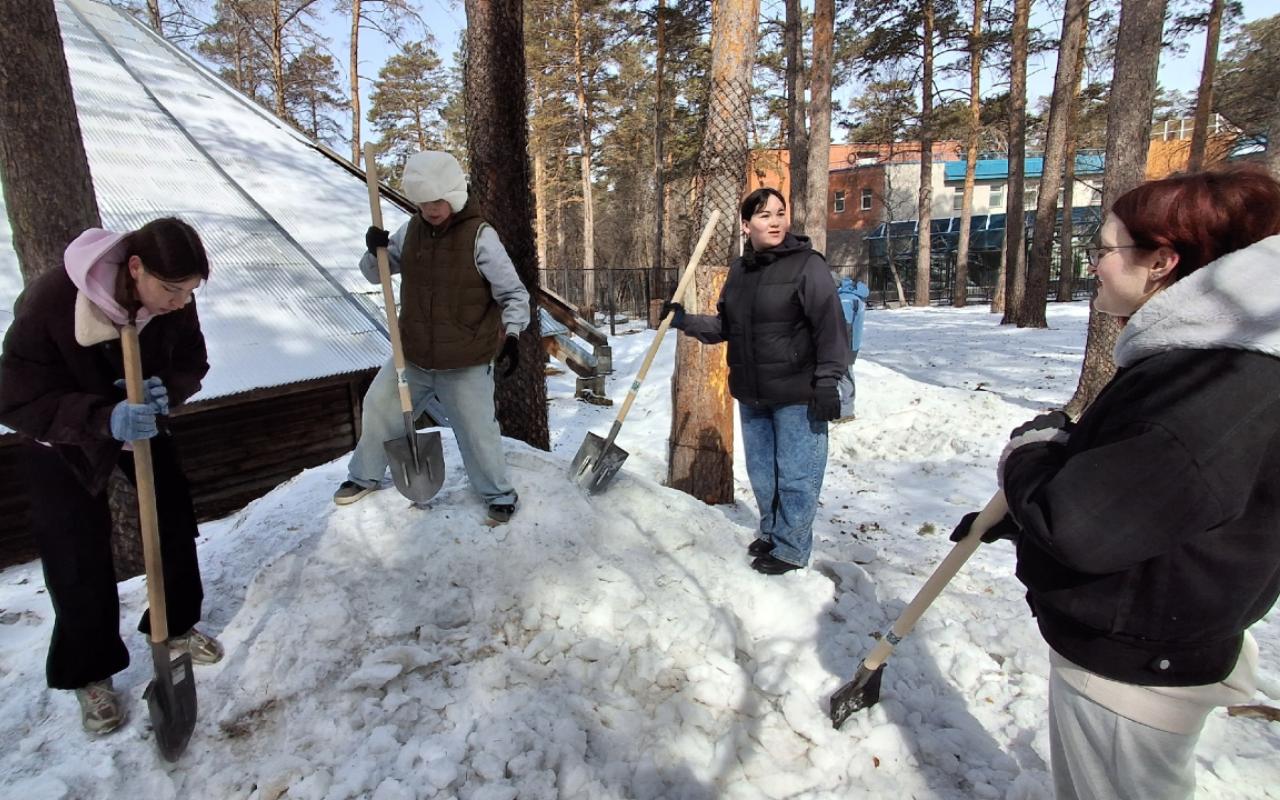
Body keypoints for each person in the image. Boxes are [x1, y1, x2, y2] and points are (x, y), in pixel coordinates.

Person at [953, 166, 1280, 799]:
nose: (1095, 265)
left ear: (1161, 261)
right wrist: (1028, 516)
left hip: (1135, 672)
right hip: (1151, 639)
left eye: (1104, 250)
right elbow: (1157, 499)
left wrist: (1031, 456)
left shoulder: (1215, 383)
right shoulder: (1203, 364)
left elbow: (1082, 524)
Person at [0, 217, 224, 735]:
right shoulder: (53, 302)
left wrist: (168, 387)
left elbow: (193, 360)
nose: (180, 302)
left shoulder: (171, 304)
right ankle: (91, 672)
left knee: (170, 517)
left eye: (190, 292)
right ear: (136, 267)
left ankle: (174, 625)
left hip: (139, 423)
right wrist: (102, 417)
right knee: (75, 549)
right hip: (60, 436)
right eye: (172, 290)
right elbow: (16, 401)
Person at [334, 150, 530, 522]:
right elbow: (374, 273)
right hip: (415, 357)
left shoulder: (480, 237)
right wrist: (373, 247)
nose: (431, 209)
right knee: (378, 406)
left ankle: (498, 494)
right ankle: (363, 477)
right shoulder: (411, 231)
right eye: (424, 203)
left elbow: (513, 294)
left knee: (477, 431)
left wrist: (515, 333)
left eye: (438, 201)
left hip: (466, 359)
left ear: (454, 195)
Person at [664, 188, 851, 575]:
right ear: (746, 226)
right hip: (753, 393)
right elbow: (727, 327)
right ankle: (772, 531)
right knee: (764, 476)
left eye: (780, 213)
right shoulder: (740, 271)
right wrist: (684, 321)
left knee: (797, 476)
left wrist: (828, 380)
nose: (776, 221)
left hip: (799, 393)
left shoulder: (807, 265)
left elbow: (831, 326)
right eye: (765, 215)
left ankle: (793, 548)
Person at [835, 274, 869, 420]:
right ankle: (844, 409)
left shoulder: (845, 299)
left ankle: (846, 411)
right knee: (845, 374)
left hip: (844, 344)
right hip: (851, 343)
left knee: (845, 375)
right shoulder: (854, 296)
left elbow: (844, 325)